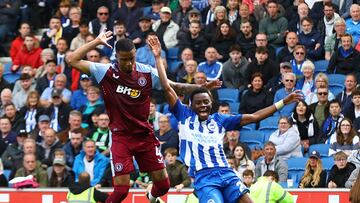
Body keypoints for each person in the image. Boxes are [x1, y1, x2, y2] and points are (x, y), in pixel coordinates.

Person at [66, 31, 220, 203]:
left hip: (144, 135)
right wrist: (96, 42)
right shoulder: (105, 71)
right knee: (122, 190)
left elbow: (174, 86)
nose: (129, 62)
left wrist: (200, 87)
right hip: (120, 137)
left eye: (132, 57)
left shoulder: (146, 72)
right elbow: (71, 59)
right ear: (116, 57)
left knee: (163, 186)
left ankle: (151, 197)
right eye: (124, 59)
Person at [148, 34, 301, 203]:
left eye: (206, 102)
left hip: (227, 173)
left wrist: (282, 102)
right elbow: (167, 87)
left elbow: (254, 116)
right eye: (198, 103)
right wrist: (157, 56)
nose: (203, 106)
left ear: (211, 102)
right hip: (205, 178)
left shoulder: (219, 120)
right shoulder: (184, 116)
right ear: (191, 105)